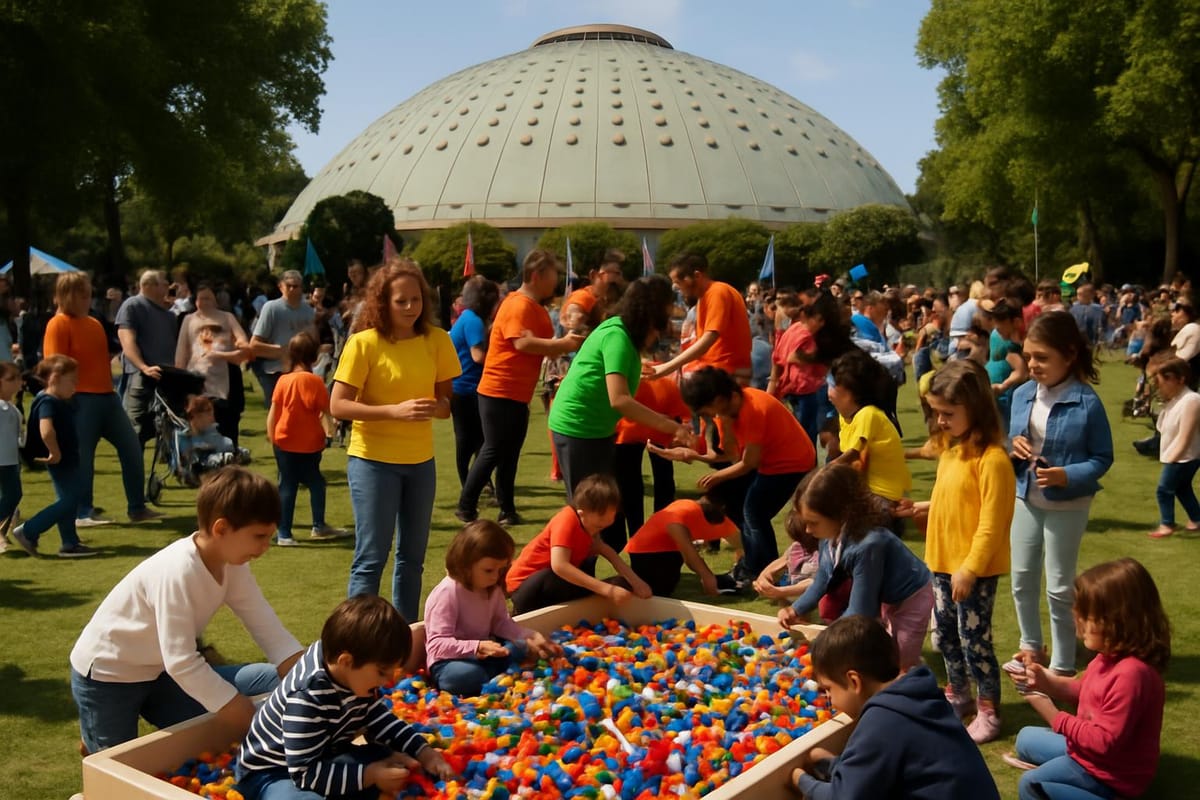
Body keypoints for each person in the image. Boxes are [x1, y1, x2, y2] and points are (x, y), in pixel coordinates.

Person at [68, 468, 305, 753]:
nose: (266, 546)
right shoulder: (178, 572)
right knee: (118, 767)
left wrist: (314, 681)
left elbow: (267, 628)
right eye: (259, 536)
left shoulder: (234, 564)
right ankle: (96, 734)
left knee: (269, 680)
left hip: (161, 673)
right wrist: (241, 713)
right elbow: (181, 661)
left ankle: (98, 734)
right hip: (109, 678)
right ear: (221, 529)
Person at [330, 260, 460, 622]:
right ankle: (356, 635)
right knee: (371, 557)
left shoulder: (437, 340)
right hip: (373, 461)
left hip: (421, 463)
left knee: (413, 558)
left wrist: (435, 408)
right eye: (400, 301)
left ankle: (403, 633)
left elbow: (446, 404)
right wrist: (394, 411)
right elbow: (338, 405)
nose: (410, 307)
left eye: (416, 299)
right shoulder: (363, 343)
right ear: (382, 302)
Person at [237, 595, 455, 799]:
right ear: (346, 661)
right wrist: (370, 775)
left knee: (393, 763)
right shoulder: (307, 696)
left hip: (326, 753)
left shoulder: (353, 675)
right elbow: (305, 774)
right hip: (272, 773)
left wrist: (424, 751)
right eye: (382, 672)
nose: (388, 681)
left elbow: (379, 719)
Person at [904, 359, 1014, 744]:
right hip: (942, 563)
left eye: (948, 413)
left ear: (976, 408)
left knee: (975, 641)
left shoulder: (994, 461)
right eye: (937, 412)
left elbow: (991, 523)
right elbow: (950, 499)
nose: (941, 421)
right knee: (946, 636)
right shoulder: (951, 450)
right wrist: (922, 507)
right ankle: (958, 693)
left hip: (973, 570)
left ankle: (989, 709)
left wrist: (970, 569)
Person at [547, 275, 695, 549]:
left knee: (604, 507)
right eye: (665, 308)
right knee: (586, 511)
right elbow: (620, 400)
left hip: (599, 430)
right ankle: (573, 575)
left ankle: (598, 568)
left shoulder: (623, 336)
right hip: (577, 428)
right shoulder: (617, 336)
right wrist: (672, 427)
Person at [1005, 558, 1169, 800]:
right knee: (1025, 738)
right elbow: (1083, 692)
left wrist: (1051, 712)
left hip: (1112, 774)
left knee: (1032, 785)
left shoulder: (1132, 675)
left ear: (1117, 621)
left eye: (1086, 616)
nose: (1077, 622)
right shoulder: (1107, 657)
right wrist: (1043, 680)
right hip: (1089, 756)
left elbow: (1103, 742)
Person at [790, 615, 999, 800]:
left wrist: (800, 780)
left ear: (854, 682)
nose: (829, 699)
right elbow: (874, 773)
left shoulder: (881, 722)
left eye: (828, 689)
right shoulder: (918, 696)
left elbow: (844, 796)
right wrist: (835, 765)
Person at [1009, 311, 1113, 676]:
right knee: (1021, 577)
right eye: (1028, 356)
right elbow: (1014, 440)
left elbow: (1103, 458)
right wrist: (1015, 444)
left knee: (1058, 586)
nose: (1032, 365)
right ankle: (1029, 648)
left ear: (1069, 355)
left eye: (1041, 357)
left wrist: (1067, 475)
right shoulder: (1022, 395)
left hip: (1068, 504)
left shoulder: (1087, 402)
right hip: (1025, 497)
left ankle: (1063, 664)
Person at [456, 250, 583, 526]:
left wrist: (561, 343)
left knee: (509, 454)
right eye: (553, 276)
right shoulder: (519, 305)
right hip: (498, 391)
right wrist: (562, 345)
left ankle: (507, 510)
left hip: (515, 393)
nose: (556, 282)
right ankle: (466, 507)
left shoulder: (531, 307)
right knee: (493, 449)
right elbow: (521, 343)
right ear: (536, 276)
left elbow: (535, 344)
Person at [656, 367, 815, 578]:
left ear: (720, 398)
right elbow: (731, 456)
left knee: (754, 512)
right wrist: (694, 455)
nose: (707, 415)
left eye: (706, 409)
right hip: (767, 463)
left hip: (792, 462)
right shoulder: (727, 414)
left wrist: (718, 476)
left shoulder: (753, 409)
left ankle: (767, 572)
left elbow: (748, 463)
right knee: (738, 509)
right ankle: (751, 567)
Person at [779, 465, 933, 671]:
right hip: (888, 596)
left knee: (901, 660)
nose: (807, 530)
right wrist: (795, 608)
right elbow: (823, 578)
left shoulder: (868, 545)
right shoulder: (829, 536)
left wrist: (827, 637)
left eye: (813, 522)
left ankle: (915, 681)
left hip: (914, 597)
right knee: (885, 650)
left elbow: (862, 610)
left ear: (841, 513)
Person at [43, 273, 162, 526]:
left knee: (131, 447)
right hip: (78, 398)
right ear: (69, 296)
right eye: (83, 294)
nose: (88, 299)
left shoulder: (94, 323)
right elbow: (54, 365)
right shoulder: (58, 324)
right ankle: (81, 511)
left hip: (107, 395)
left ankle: (137, 507)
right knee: (83, 456)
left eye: (89, 294)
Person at [423, 521, 561, 696]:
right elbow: (437, 645)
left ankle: (497, 674)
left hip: (487, 654)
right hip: (450, 662)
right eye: (489, 570)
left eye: (500, 570)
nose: (496, 576)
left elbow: (500, 623)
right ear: (465, 565)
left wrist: (529, 635)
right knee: (467, 676)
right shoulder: (447, 593)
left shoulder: (491, 588)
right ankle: (499, 674)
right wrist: (477, 646)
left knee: (519, 646)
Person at [505, 474, 651, 615]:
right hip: (526, 588)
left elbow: (605, 550)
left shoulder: (588, 523)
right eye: (598, 526)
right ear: (582, 513)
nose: (598, 531)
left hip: (555, 584)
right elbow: (560, 566)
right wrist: (607, 590)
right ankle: (519, 615)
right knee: (556, 574)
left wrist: (636, 582)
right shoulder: (566, 521)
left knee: (621, 583)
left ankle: (584, 605)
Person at [9, 356, 97, 558]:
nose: (76, 385)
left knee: (67, 499)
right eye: (72, 380)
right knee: (71, 499)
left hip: (66, 458)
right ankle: (29, 530)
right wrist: (54, 452)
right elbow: (46, 430)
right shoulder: (47, 401)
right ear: (55, 378)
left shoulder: (59, 400)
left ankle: (70, 543)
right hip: (60, 459)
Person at [268, 332, 347, 547]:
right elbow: (326, 411)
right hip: (310, 444)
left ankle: (284, 532)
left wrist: (272, 436)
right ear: (313, 357)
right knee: (316, 483)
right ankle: (318, 525)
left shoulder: (283, 380)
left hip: (284, 441)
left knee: (287, 485)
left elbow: (273, 413)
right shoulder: (315, 382)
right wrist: (331, 431)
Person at [826, 348, 911, 531]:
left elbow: (852, 455)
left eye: (831, 385)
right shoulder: (846, 416)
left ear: (849, 392)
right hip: (867, 493)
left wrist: (821, 475)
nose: (828, 393)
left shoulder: (868, 414)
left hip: (881, 498)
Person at [612, 365, 693, 542]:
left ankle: (640, 533)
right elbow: (683, 414)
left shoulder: (623, 379)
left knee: (631, 485)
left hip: (631, 432)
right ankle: (660, 529)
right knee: (660, 481)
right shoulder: (664, 381)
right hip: (652, 430)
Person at [647, 252, 752, 382]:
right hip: (712, 371)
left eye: (678, 283)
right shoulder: (704, 298)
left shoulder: (717, 292)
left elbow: (708, 339)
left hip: (722, 374)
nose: (677, 289)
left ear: (697, 276)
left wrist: (667, 367)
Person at [175, 282, 251, 445]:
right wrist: (179, 381)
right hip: (197, 377)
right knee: (198, 422)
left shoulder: (227, 317)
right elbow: (182, 352)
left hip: (225, 376)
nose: (203, 302)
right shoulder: (188, 320)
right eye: (200, 298)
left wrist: (240, 345)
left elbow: (242, 340)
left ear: (216, 300)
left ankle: (229, 457)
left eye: (208, 298)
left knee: (227, 424)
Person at [623, 496, 743, 597]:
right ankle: (615, 584)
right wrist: (708, 577)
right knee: (658, 591)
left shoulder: (689, 507)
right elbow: (689, 556)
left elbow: (742, 545)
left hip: (654, 549)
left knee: (661, 586)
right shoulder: (677, 520)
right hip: (647, 552)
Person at [448, 276, 500, 490]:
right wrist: (502, 360)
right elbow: (478, 356)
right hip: (467, 389)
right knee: (470, 441)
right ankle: (469, 483)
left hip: (462, 388)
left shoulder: (466, 318)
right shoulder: (474, 321)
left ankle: (480, 481)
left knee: (476, 440)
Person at [117, 269, 179, 443]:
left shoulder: (169, 316)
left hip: (166, 376)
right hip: (141, 375)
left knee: (168, 427)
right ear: (148, 286)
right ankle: (134, 469)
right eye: (163, 283)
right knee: (136, 428)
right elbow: (127, 340)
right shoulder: (132, 305)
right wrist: (143, 367)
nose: (168, 285)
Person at [1147, 357, 1200, 537]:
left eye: (1163, 382)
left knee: (1164, 490)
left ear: (1180, 379)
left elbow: (1186, 436)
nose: (1160, 387)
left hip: (1185, 456)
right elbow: (1163, 427)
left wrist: (1172, 459)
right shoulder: (1175, 400)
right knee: (1182, 488)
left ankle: (1167, 524)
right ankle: (1196, 518)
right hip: (1178, 455)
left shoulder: (1192, 400)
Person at [251, 270, 316, 409]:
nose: (292, 289)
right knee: (279, 414)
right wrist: (282, 351)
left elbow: (314, 340)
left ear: (301, 287)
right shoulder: (272, 308)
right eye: (289, 286)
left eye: (296, 286)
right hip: (275, 372)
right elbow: (255, 345)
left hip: (301, 371)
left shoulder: (308, 310)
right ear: (280, 286)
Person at [176, 395, 250, 484]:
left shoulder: (211, 430)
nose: (212, 419)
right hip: (202, 465)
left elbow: (223, 443)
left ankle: (232, 457)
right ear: (197, 416)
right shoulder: (184, 437)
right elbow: (189, 459)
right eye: (209, 415)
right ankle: (225, 460)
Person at [752, 508, 820, 605]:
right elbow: (784, 559)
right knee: (786, 603)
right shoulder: (798, 546)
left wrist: (781, 592)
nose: (797, 542)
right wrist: (764, 576)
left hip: (812, 593)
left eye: (800, 537)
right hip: (792, 590)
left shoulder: (822, 554)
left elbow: (815, 582)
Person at [559, 249, 625, 330]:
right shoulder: (583, 298)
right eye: (609, 276)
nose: (616, 282)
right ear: (593, 275)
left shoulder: (605, 300)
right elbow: (573, 332)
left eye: (618, 274)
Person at [0, 362, 22, 550]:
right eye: (11, 379)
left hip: (11, 460)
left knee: (13, 496)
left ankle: (2, 535)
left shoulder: (11, 408)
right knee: (12, 495)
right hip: (3, 461)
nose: (17, 383)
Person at [1068, 282, 1105, 348]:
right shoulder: (1074, 308)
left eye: (1081, 294)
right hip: (1078, 339)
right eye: (1077, 294)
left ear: (1091, 295)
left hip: (1092, 337)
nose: (1078, 297)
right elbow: (1079, 327)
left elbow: (1100, 323)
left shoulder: (1097, 308)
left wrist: (1100, 337)